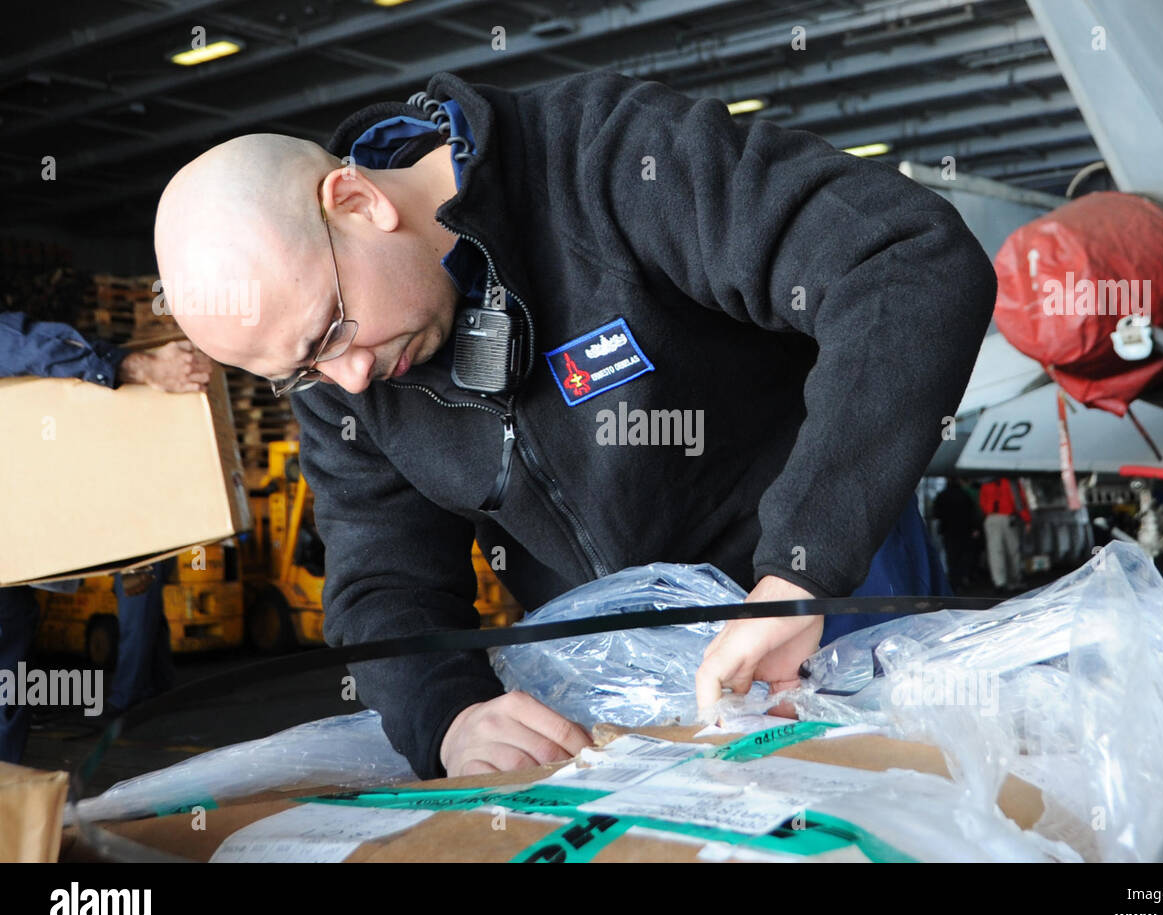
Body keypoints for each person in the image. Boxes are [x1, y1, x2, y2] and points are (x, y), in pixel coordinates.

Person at [153, 70, 997, 780]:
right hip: (620, 683)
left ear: (358, 200)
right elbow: (384, 582)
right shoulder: (344, 372)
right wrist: (449, 718)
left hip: (832, 590)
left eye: (330, 334)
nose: (346, 377)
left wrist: (801, 572)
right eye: (299, 373)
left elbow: (904, 259)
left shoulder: (607, 160)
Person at [0, 310, 208, 762]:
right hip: (131, 535)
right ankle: (128, 697)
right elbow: (25, 345)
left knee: (145, 616)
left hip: (141, 534)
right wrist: (139, 367)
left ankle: (145, 691)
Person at [979, 476, 1031, 591]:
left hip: (991, 517)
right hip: (1008, 518)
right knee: (1013, 550)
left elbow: (982, 502)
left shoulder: (985, 481)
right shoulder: (1011, 480)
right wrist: (1027, 519)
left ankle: (999, 582)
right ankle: (1014, 580)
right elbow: (1018, 501)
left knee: (995, 551)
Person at [933, 477, 981, 590]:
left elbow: (936, 513)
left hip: (949, 531)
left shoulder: (942, 495)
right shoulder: (965, 495)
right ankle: (962, 579)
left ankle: (954, 582)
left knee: (952, 557)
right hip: (964, 530)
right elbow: (972, 513)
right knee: (963, 557)